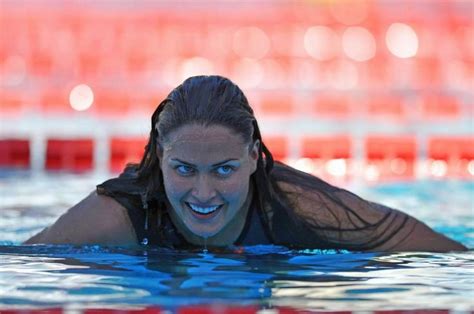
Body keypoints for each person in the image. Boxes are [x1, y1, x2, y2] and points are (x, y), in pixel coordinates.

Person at [25, 75, 467, 252]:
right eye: (184, 169)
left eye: (223, 170)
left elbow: (448, 260)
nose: (202, 194)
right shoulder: (117, 218)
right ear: (160, 158)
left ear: (254, 158)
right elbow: (21, 268)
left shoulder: (297, 206)